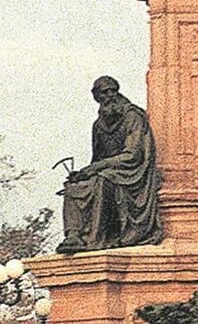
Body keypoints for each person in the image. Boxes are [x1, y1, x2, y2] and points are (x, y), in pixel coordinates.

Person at [57, 76, 163, 253]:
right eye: (104, 92)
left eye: (113, 91)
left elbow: (133, 155)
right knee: (73, 188)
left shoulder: (132, 117)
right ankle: (74, 235)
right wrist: (83, 174)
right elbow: (97, 159)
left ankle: (97, 238)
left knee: (103, 180)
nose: (110, 95)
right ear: (97, 97)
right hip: (111, 171)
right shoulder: (98, 125)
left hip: (133, 172)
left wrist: (96, 168)